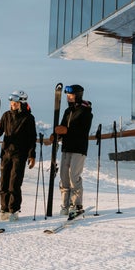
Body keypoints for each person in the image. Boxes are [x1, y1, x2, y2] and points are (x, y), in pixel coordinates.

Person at [0, 90, 37, 221]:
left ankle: (13, 210)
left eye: (16, 102)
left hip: (19, 154)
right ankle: (4, 209)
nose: (13, 104)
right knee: (3, 182)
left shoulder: (28, 118)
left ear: (21, 103)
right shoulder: (6, 116)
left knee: (14, 183)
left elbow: (32, 138)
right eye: (11, 102)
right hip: (6, 153)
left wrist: (32, 155)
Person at [54, 83, 93, 217]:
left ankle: (76, 204)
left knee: (73, 176)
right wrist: (57, 135)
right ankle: (65, 205)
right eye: (67, 96)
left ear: (78, 96)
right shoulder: (67, 111)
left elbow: (83, 130)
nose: (68, 98)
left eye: (71, 96)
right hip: (66, 147)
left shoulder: (85, 112)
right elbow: (63, 127)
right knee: (64, 176)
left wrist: (67, 131)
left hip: (79, 148)